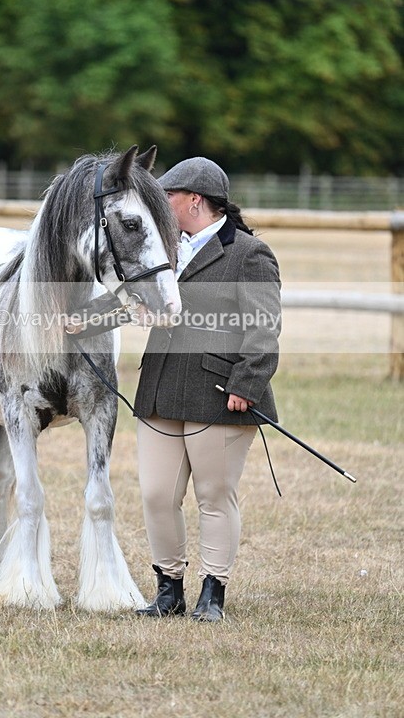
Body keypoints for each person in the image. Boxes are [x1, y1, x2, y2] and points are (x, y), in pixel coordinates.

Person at [133, 157, 281, 622]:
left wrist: (248, 382)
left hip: (218, 392)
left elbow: (263, 326)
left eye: (166, 196)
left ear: (193, 199)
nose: (159, 204)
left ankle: (212, 593)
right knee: (157, 493)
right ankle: (168, 589)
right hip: (159, 388)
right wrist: (84, 318)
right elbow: (132, 297)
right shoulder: (163, 250)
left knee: (214, 495)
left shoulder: (248, 254)